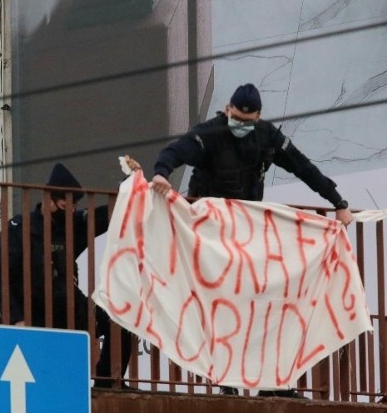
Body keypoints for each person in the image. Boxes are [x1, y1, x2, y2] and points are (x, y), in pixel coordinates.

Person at [150, 83, 354, 397]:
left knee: (268, 302)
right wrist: (162, 173)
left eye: (249, 121)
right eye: (237, 119)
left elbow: (304, 168)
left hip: (248, 235)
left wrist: (338, 202)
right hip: (211, 237)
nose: (241, 126)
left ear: (258, 117)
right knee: (222, 307)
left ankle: (271, 382)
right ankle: (227, 381)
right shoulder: (212, 133)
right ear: (228, 109)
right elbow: (175, 151)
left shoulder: (267, 137)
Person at [0, 162, 132, 389]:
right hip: (33, 316)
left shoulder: (72, 226)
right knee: (46, 381)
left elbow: (105, 216)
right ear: (49, 198)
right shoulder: (20, 229)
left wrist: (127, 190)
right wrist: (16, 318)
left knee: (118, 325)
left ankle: (107, 384)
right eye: (67, 203)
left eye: (75, 204)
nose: (72, 209)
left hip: (71, 309)